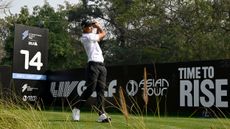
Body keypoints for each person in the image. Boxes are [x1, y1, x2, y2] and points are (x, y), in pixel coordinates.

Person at [72, 19, 111, 123]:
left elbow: (99, 37)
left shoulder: (91, 37)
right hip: (92, 65)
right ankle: (76, 109)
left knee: (101, 90)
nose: (90, 27)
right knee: (90, 89)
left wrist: (96, 27)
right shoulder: (86, 37)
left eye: (91, 26)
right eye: (89, 26)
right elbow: (103, 34)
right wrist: (98, 25)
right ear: (84, 27)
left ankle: (101, 114)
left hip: (101, 65)